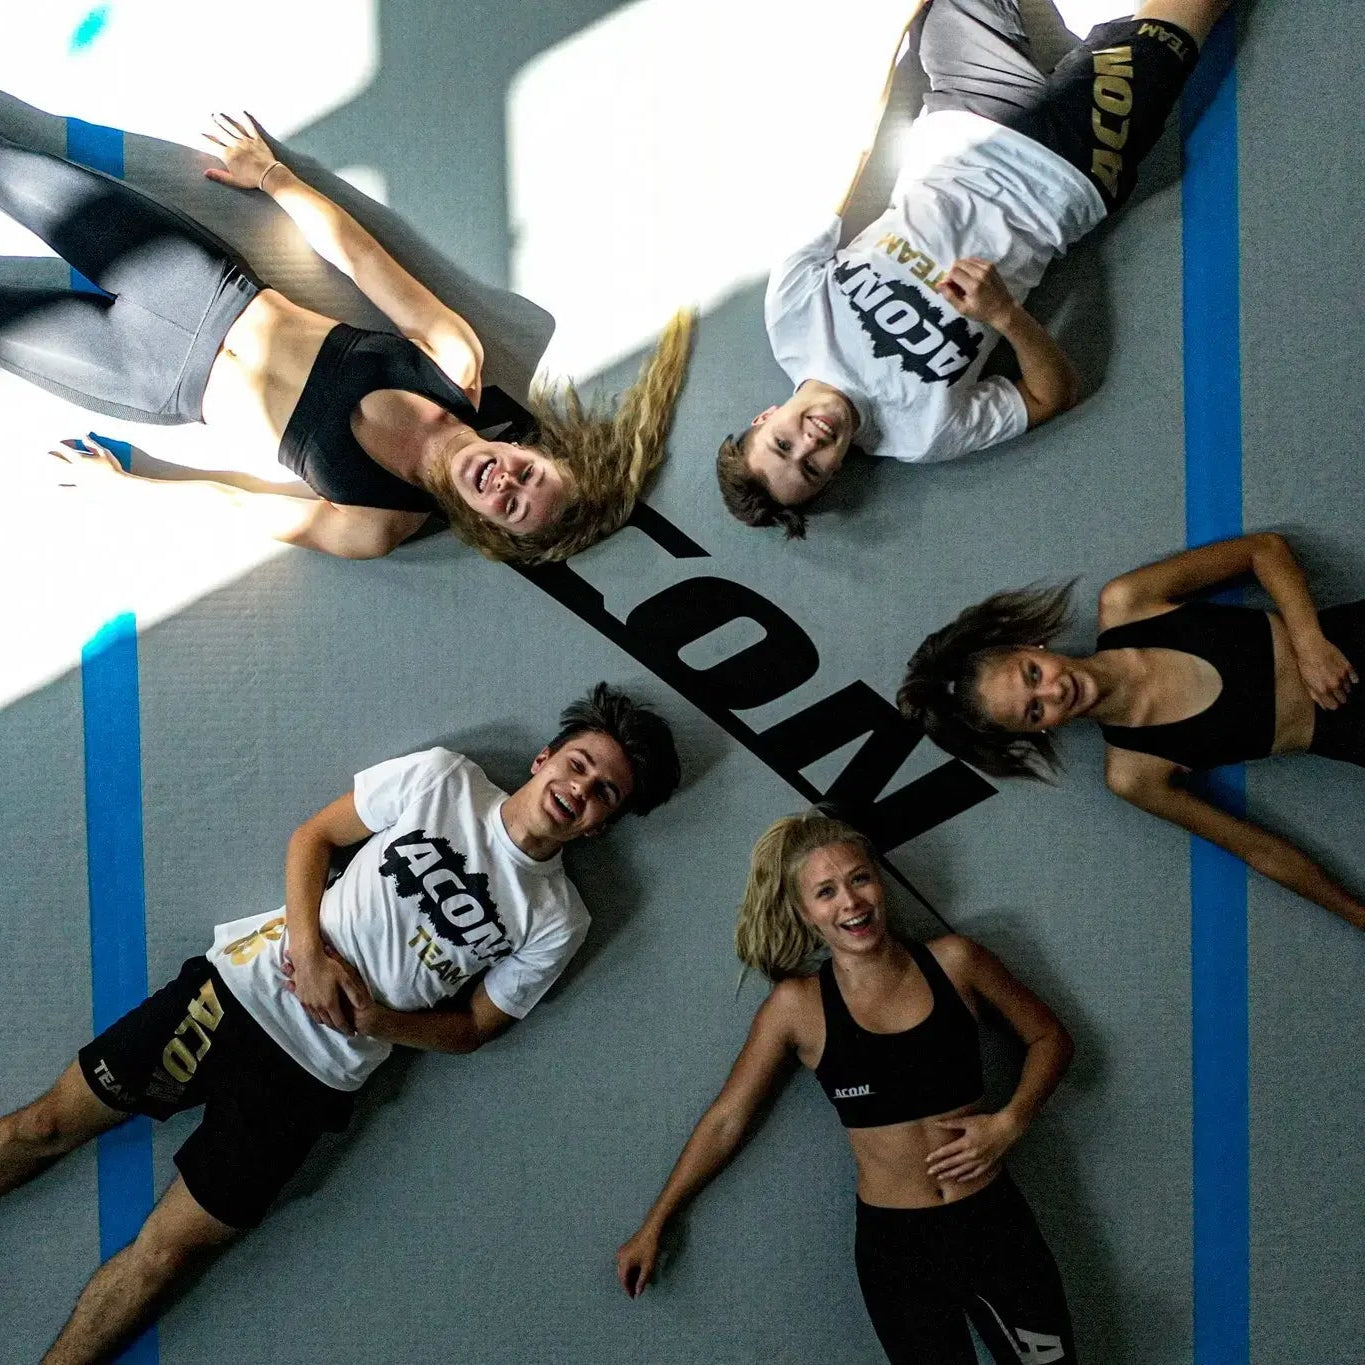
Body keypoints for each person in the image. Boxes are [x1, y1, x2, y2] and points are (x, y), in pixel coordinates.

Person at [0, 683, 680, 1362]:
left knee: (165, 1256)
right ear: (543, 759)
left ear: (599, 825)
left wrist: (378, 1019)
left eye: (605, 793)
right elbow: (315, 836)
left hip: (313, 1080)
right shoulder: (443, 779)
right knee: (43, 1125)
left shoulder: (560, 918)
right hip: (239, 990)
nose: (581, 787)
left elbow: (474, 1026)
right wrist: (309, 952)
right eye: (579, 763)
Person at [0, 109, 694, 561]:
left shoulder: (378, 522)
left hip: (148, 374)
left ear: (492, 528)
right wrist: (273, 177)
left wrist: (128, 490)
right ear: (527, 449)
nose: (503, 482)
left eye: (510, 506)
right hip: (195, 279)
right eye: (528, 474)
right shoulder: (452, 361)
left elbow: (239, 503)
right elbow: (359, 259)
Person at [716, 0, 1227, 538]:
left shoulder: (791, 319)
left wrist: (892, 35)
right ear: (834, 473)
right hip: (1062, 176)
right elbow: (1053, 396)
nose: (809, 443)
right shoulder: (920, 434)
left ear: (764, 417)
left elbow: (847, 162)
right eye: (811, 469)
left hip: (964, 116)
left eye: (782, 444)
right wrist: (1006, 315)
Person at [616, 813, 1075, 1364]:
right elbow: (726, 1119)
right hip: (897, 1248)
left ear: (880, 883)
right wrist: (656, 1222)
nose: (851, 903)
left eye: (860, 879)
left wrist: (1010, 1122)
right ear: (806, 913)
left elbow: (1050, 1037)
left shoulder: (956, 962)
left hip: (993, 1224)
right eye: (826, 892)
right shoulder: (797, 1008)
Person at [899, 532, 1365, 928]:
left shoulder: (1128, 603)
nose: (1055, 692)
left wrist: (1308, 642)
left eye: (1033, 674)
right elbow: (1260, 850)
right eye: (1035, 713)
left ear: (1030, 646)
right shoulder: (1134, 772)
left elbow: (1264, 550)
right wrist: (1358, 916)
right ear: (1040, 731)